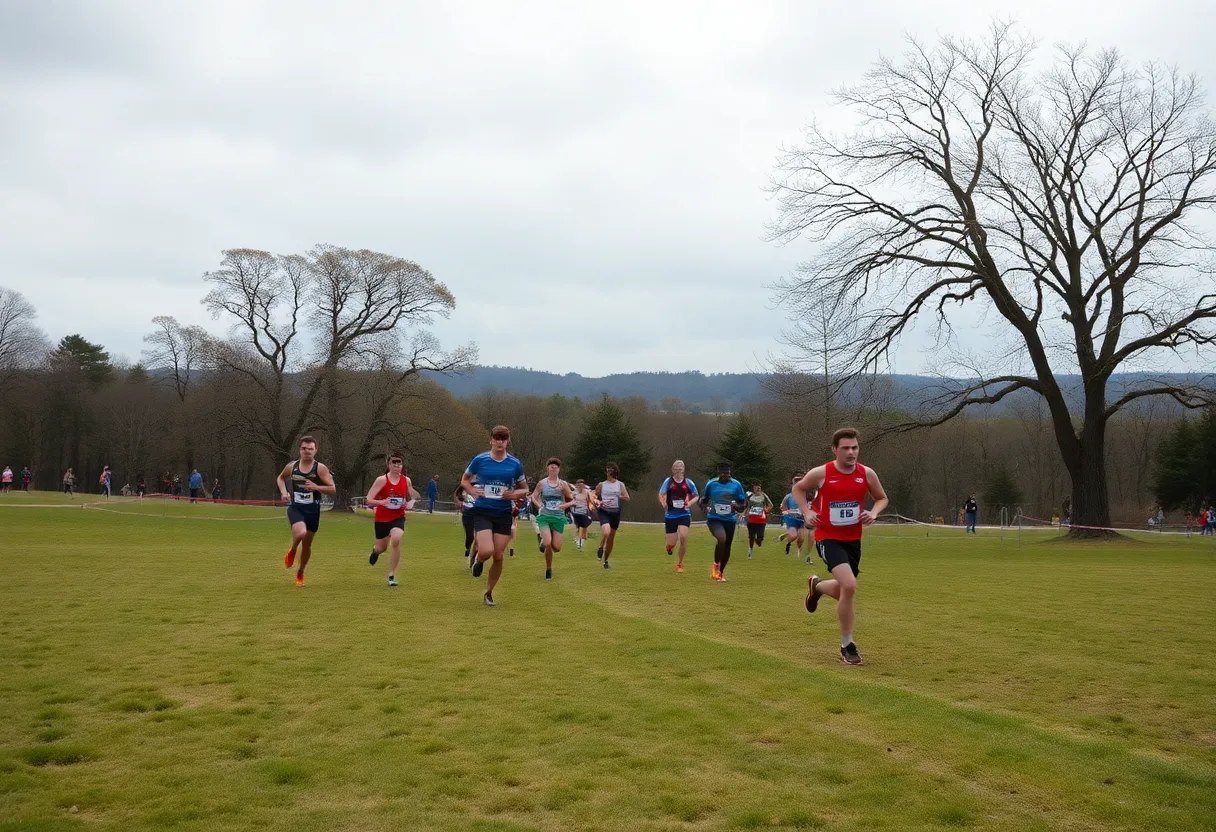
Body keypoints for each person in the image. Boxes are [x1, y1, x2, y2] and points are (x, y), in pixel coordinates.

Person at [795, 427, 890, 666]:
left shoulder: (866, 474)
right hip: (827, 536)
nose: (851, 452)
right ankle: (847, 645)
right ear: (835, 450)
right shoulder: (822, 473)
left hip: (853, 540)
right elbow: (798, 488)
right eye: (846, 448)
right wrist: (806, 513)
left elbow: (882, 498)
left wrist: (874, 512)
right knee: (849, 585)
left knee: (845, 590)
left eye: (855, 447)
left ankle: (817, 586)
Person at [463, 425, 529, 606]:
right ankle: (479, 559)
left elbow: (525, 489)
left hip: (503, 513)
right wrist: (473, 492)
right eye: (496, 438)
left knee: (499, 556)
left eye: (503, 439)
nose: (500, 442)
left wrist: (513, 494)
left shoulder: (514, 464)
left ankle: (489, 592)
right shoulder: (480, 460)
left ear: (507, 441)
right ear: (491, 440)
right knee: (486, 550)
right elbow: (465, 480)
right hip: (483, 510)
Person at [275, 435, 337, 587]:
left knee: (307, 544)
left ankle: (300, 572)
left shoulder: (320, 469)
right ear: (300, 450)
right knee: (300, 533)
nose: (307, 451)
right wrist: (284, 492)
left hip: (312, 510)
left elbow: (333, 490)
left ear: (315, 450)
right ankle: (293, 549)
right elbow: (281, 478)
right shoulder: (292, 466)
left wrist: (316, 487)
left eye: (310, 449)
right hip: (296, 507)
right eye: (304, 448)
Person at [366, 450, 418, 588]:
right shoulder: (381, 480)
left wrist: (411, 502)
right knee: (381, 547)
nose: (396, 466)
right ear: (389, 464)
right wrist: (381, 502)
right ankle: (375, 551)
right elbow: (369, 499)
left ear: (402, 465)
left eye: (399, 463)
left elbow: (410, 495)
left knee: (396, 539)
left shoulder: (406, 480)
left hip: (398, 517)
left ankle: (391, 575)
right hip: (382, 518)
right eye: (393, 463)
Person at [701, 461, 746, 581]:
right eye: (724, 474)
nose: (727, 477)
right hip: (714, 519)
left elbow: (743, 503)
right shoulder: (711, 484)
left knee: (727, 546)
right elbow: (703, 500)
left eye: (729, 474)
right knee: (722, 538)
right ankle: (716, 565)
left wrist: (737, 506)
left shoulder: (736, 485)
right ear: (719, 473)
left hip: (730, 520)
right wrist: (705, 508)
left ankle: (721, 572)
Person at [531, 457, 575, 580]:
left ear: (559, 469)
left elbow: (571, 497)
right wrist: (538, 504)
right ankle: (548, 569)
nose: (553, 467)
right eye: (551, 465)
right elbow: (533, 496)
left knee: (556, 547)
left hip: (558, 518)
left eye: (556, 466)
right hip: (545, 516)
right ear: (548, 468)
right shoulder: (542, 483)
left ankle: (544, 540)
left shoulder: (563, 484)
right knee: (548, 543)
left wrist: (567, 503)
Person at [658, 460, 698, 573]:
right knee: (671, 543)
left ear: (684, 469)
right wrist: (663, 503)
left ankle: (680, 563)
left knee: (684, 537)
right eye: (676, 467)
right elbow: (661, 494)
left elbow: (696, 496)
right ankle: (669, 547)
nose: (678, 469)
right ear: (673, 469)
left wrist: (689, 504)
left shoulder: (688, 483)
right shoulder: (668, 481)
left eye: (681, 467)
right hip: (670, 515)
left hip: (684, 514)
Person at [594, 463, 631, 569]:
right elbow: (594, 496)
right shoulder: (601, 485)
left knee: (611, 537)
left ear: (615, 471)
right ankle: (601, 547)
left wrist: (619, 496)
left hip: (615, 512)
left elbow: (627, 498)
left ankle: (605, 561)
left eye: (611, 469)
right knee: (606, 532)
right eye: (607, 469)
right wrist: (598, 502)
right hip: (604, 511)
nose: (608, 471)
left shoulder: (620, 485)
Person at [778, 474, 810, 562]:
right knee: (794, 535)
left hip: (800, 519)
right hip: (791, 519)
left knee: (801, 538)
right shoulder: (788, 496)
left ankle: (798, 552)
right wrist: (786, 511)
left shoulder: (803, 495)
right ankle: (788, 543)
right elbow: (782, 506)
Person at [743, 480, 774, 559]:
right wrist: (744, 514)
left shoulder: (764, 496)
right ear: (753, 488)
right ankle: (750, 550)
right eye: (756, 486)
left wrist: (766, 510)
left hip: (761, 519)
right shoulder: (750, 496)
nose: (758, 488)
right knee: (751, 536)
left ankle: (759, 541)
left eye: (759, 486)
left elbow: (770, 505)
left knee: (760, 537)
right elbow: (747, 507)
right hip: (751, 518)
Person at [454, 482, 478, 558]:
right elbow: (456, 494)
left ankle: (477, 557)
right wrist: (458, 502)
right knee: (470, 536)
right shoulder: (466, 483)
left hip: (481, 511)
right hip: (468, 512)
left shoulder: (485, 482)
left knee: (480, 536)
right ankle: (468, 548)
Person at [570, 479, 595, 552]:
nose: (580, 487)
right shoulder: (574, 493)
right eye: (578, 485)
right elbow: (571, 502)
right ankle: (578, 541)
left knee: (583, 528)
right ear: (576, 486)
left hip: (584, 512)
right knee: (578, 527)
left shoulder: (587, 492)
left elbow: (590, 501)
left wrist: (592, 507)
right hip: (576, 512)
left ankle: (580, 542)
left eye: (581, 485)